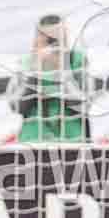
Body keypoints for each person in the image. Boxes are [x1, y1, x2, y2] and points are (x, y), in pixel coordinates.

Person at [10, 14, 90, 142]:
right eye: (48, 39)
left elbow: (85, 105)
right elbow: (17, 107)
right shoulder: (26, 62)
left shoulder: (77, 60)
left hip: (72, 139)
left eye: (57, 39)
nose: (53, 45)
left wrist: (63, 71)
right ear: (37, 39)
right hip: (34, 139)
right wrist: (35, 72)